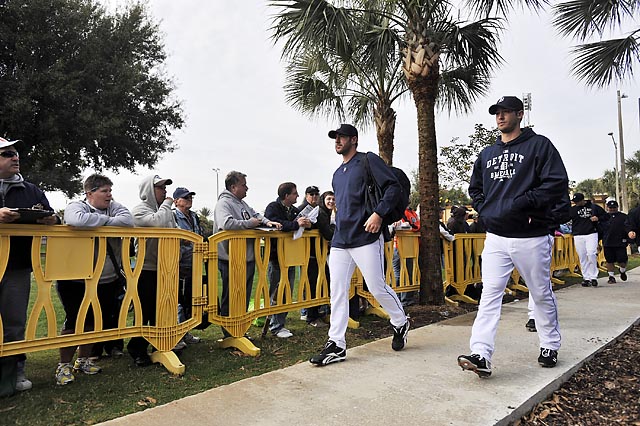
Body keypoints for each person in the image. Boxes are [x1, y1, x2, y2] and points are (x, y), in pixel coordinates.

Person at [458, 96, 569, 378]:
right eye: (497, 112)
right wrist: (488, 210)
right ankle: (480, 353)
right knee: (489, 296)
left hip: (531, 235)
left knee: (541, 292)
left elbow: (556, 183)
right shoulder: (487, 153)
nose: (500, 117)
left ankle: (549, 344)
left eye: (506, 112)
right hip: (496, 236)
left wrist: (523, 203)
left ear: (520, 114)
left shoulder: (539, 145)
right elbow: (475, 188)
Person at [310, 124, 410, 366]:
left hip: (365, 235)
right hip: (341, 239)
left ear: (353, 140)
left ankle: (400, 321)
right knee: (337, 290)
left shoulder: (368, 160)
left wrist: (378, 214)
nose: (337, 141)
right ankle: (336, 344)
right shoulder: (337, 173)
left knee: (376, 287)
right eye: (335, 137)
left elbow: (393, 187)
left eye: (341, 137)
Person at [56, 174, 133, 385]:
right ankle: (64, 365)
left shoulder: (116, 207)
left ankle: (84, 360)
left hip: (106, 278)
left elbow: (128, 220)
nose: (109, 195)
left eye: (110, 190)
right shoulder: (75, 206)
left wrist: (98, 222)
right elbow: (76, 220)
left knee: (92, 322)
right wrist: (107, 221)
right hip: (75, 279)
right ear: (89, 193)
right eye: (104, 191)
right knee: (74, 321)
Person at [0, 136, 59, 394]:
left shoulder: (32, 189)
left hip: (17, 267)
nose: (15, 157)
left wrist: (50, 220)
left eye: (15, 153)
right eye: (7, 153)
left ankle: (15, 373)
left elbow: (52, 215)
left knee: (14, 323)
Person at [213, 171, 280, 339]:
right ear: (233, 187)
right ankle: (230, 333)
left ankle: (240, 330)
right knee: (232, 296)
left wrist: (266, 222)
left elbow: (256, 214)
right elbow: (226, 223)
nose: (247, 188)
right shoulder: (224, 203)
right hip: (230, 259)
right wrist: (250, 224)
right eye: (243, 185)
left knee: (243, 297)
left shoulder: (241, 203)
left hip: (246, 258)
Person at [127, 175, 175, 367]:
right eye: (160, 187)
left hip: (164, 267)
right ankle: (136, 349)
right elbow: (157, 223)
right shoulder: (139, 211)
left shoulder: (164, 211)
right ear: (149, 190)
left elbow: (173, 230)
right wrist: (167, 205)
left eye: (164, 187)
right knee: (143, 311)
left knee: (160, 310)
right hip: (145, 268)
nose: (165, 191)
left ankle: (158, 345)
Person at [264, 182, 311, 338]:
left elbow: (300, 221)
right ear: (286, 195)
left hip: (291, 256)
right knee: (276, 291)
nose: (298, 196)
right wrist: (295, 224)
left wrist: (307, 224)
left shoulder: (294, 210)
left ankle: (280, 323)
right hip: (277, 257)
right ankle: (275, 326)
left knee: (287, 291)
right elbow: (275, 223)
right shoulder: (273, 207)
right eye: (295, 193)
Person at [172, 186, 204, 345]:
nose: (189, 199)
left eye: (190, 197)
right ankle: (177, 335)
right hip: (178, 263)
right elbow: (176, 237)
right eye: (185, 198)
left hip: (194, 263)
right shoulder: (173, 217)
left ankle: (186, 333)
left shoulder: (194, 217)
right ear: (176, 201)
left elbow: (199, 235)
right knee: (176, 300)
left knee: (188, 300)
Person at [297, 185, 326, 327]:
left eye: (316, 194)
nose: (314, 196)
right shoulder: (302, 209)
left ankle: (316, 311)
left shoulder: (320, 209)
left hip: (320, 251)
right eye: (311, 194)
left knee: (320, 282)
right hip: (308, 253)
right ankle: (310, 316)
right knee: (311, 284)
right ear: (306, 195)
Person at [569, 193, 608, 287]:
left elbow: (606, 217)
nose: (576, 203)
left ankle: (593, 276)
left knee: (591, 253)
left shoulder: (594, 207)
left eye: (578, 202)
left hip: (591, 233)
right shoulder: (573, 210)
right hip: (578, 234)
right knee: (582, 256)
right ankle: (586, 277)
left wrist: (598, 218)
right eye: (575, 202)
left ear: (583, 200)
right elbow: (565, 218)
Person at [393, 206, 420, 307]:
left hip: (408, 246)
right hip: (400, 246)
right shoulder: (399, 211)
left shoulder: (412, 212)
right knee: (401, 273)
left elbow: (417, 226)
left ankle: (404, 298)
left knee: (407, 273)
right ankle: (401, 299)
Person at [602, 200, 628, 284]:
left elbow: (628, 228)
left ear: (617, 207)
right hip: (607, 242)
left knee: (622, 261)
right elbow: (600, 230)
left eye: (614, 208)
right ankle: (611, 276)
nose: (612, 209)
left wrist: (629, 239)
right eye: (610, 208)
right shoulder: (604, 217)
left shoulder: (624, 217)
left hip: (620, 242)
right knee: (609, 261)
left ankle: (622, 271)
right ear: (607, 208)